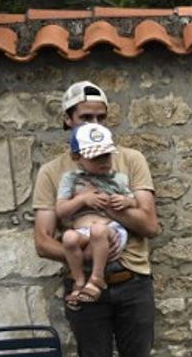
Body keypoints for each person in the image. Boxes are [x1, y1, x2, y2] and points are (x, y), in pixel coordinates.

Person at [32, 80, 175, 357]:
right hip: (85, 292)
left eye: (100, 117)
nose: (93, 123)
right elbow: (43, 240)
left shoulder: (130, 160)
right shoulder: (53, 172)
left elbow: (149, 226)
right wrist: (79, 247)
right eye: (84, 118)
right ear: (67, 121)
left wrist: (118, 213)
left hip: (132, 283)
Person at [56, 122, 137, 309]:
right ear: (77, 157)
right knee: (68, 237)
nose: (104, 162)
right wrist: (82, 200)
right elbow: (60, 211)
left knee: (98, 230)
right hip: (82, 231)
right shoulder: (71, 179)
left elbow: (133, 200)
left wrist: (126, 202)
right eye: (95, 157)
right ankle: (79, 281)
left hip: (110, 230)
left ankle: (97, 278)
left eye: (106, 156)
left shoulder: (117, 178)